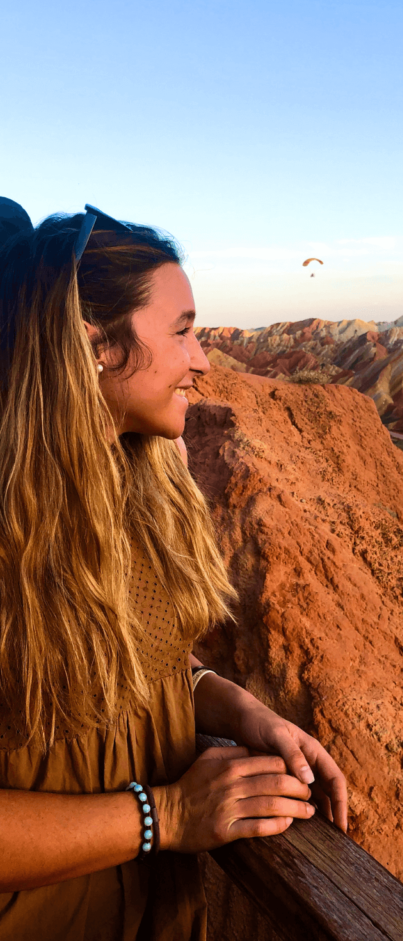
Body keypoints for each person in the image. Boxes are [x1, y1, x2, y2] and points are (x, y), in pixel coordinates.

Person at [0, 199, 347, 941]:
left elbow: (133, 659)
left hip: (160, 917)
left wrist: (235, 707)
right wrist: (170, 814)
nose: (202, 360)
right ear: (94, 344)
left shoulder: (143, 481)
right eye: (183, 331)